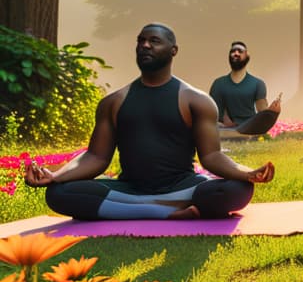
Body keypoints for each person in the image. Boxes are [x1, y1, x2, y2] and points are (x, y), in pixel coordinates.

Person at [24, 24, 274, 219]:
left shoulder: (196, 100)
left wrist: (246, 173)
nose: (145, 45)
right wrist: (56, 176)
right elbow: (96, 157)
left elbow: (212, 157)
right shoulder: (113, 102)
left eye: (154, 41)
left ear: (173, 50)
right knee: (59, 193)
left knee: (238, 190)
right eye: (141, 41)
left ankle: (146, 208)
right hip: (129, 190)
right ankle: (166, 211)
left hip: (182, 187)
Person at [209, 40, 282, 136]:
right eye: (233, 51)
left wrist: (272, 112)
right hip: (225, 129)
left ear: (247, 56)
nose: (235, 53)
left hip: (250, 127)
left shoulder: (257, 84)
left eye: (240, 51)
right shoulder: (218, 84)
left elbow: (262, 110)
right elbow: (213, 115)